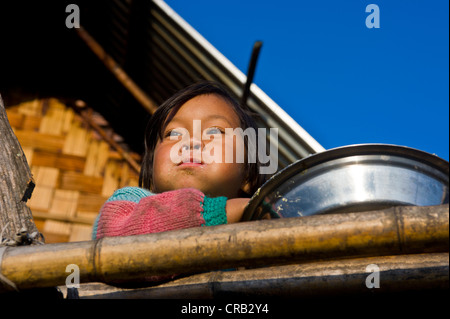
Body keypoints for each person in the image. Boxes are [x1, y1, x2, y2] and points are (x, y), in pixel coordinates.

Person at [92, 81, 266, 240]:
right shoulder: (128, 203)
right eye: (174, 134)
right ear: (152, 169)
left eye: (214, 132)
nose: (191, 142)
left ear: (248, 174)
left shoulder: (260, 233)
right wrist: (226, 212)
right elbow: (118, 238)